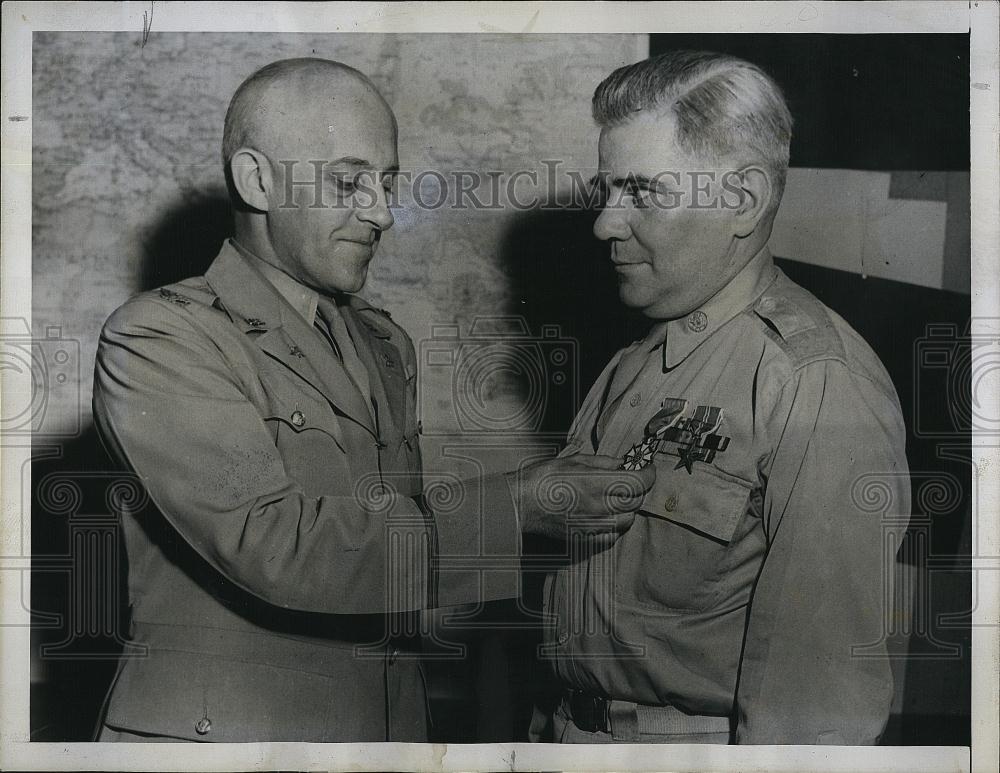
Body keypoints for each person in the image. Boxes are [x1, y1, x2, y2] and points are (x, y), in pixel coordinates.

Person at [91, 58, 652, 743]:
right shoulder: (162, 337)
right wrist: (519, 504)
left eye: (386, 184)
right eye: (349, 182)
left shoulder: (382, 342)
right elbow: (276, 546)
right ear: (256, 179)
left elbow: (391, 550)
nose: (383, 213)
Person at [532, 50, 911, 745]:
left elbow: (816, 712)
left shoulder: (815, 382)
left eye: (642, 192)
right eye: (607, 189)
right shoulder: (638, 356)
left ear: (741, 199)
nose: (605, 223)